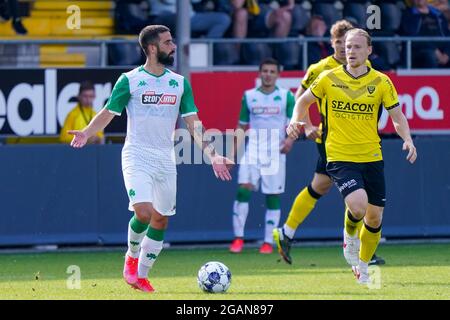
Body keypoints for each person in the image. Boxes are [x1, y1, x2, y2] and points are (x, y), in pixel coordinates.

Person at [69, 25, 233, 293]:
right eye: (168, 42)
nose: (174, 46)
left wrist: (212, 154)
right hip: (136, 154)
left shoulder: (179, 83)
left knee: (161, 220)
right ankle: (131, 259)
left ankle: (142, 275)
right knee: (143, 213)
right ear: (153, 48)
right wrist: (88, 133)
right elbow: (109, 112)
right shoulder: (130, 80)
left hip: (165, 159)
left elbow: (193, 123)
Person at [286, 28, 417, 284]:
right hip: (339, 156)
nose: (351, 51)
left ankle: (364, 267)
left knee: (374, 216)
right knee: (357, 205)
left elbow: (396, 116)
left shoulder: (381, 81)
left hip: (371, 155)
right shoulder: (328, 78)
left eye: (357, 47)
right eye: (347, 47)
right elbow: (301, 102)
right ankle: (349, 238)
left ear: (369, 50)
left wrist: (408, 139)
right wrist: (295, 121)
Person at [273, 20, 385, 267]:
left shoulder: (364, 67)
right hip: (330, 139)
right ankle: (361, 249)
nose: (344, 50)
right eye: (339, 44)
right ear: (333, 43)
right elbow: (299, 99)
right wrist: (308, 125)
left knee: (320, 186)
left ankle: (287, 232)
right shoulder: (321, 69)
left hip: (356, 140)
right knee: (351, 192)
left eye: (348, 45)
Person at [229, 58, 296, 254]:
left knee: (272, 196)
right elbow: (241, 125)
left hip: (275, 152)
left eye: (271, 71)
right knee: (243, 190)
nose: (268, 74)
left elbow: (294, 123)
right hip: (253, 151)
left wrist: (290, 141)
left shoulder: (286, 96)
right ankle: (238, 239)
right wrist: (233, 154)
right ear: (259, 74)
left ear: (278, 74)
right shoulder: (249, 96)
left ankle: (268, 241)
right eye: (264, 71)